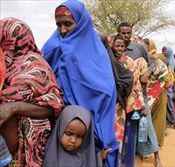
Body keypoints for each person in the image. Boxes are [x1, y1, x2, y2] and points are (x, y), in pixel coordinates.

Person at [41, 1, 118, 166]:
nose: (62, 30)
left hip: (92, 130)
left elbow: (106, 92)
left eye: (68, 24)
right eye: (58, 25)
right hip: (61, 130)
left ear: (81, 23)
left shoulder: (97, 55)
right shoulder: (52, 49)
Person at [0, 17, 64, 166]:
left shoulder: (36, 65)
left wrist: (13, 107)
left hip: (28, 149)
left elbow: (53, 105)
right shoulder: (3, 64)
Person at [117, 22, 156, 167]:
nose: (126, 35)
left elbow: (152, 64)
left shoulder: (139, 48)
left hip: (139, 95)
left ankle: (156, 156)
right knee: (125, 128)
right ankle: (127, 158)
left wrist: (147, 73)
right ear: (118, 33)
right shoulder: (115, 48)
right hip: (123, 97)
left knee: (147, 123)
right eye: (123, 33)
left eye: (128, 32)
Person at [111, 34, 148, 163]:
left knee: (128, 136)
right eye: (117, 46)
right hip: (112, 105)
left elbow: (136, 84)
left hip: (128, 105)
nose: (119, 48)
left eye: (122, 46)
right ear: (111, 46)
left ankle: (127, 163)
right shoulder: (107, 61)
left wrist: (141, 105)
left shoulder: (130, 63)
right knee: (114, 136)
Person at [161, 46, 175, 132]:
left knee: (170, 107)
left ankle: (174, 124)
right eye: (162, 51)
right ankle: (165, 126)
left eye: (165, 51)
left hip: (168, 87)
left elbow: (173, 75)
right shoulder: (162, 60)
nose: (163, 52)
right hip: (162, 87)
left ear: (169, 52)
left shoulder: (171, 62)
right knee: (163, 108)